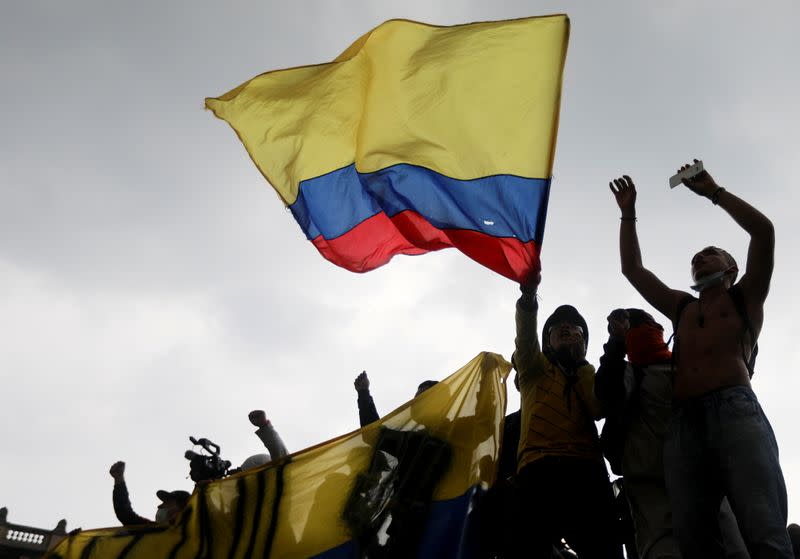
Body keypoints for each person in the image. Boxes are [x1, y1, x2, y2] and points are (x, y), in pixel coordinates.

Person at [609, 161, 792, 557]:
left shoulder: (745, 296)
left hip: (735, 411)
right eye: (696, 256)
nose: (700, 257)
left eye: (711, 253)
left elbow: (764, 231)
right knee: (694, 537)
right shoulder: (682, 307)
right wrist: (628, 214)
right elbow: (633, 269)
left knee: (763, 526)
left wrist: (713, 192)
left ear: (732, 267)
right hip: (684, 424)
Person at [595, 308, 748, 559]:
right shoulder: (629, 373)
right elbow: (606, 393)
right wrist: (616, 344)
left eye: (641, 324)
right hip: (653, 487)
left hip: (703, 481)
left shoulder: (687, 368)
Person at [509, 273, 623, 558]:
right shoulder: (533, 369)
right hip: (538, 469)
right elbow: (525, 338)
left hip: (587, 471)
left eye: (575, 328)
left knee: (604, 549)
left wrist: (581, 362)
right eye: (558, 328)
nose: (566, 328)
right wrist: (528, 298)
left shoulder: (587, 374)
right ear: (546, 342)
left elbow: (598, 409)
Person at [108, 461, 190, 526]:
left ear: (183, 507)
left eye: (168, 503)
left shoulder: (198, 529)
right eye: (163, 505)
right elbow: (126, 515)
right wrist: (119, 479)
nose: (161, 508)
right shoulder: (153, 531)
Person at [353, 371, 438, 427]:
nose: (414, 403)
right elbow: (375, 434)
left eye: (422, 399)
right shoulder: (413, 440)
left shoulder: (450, 430)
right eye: (415, 400)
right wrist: (363, 393)